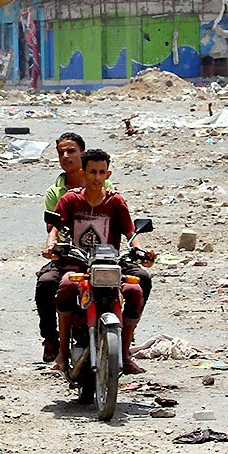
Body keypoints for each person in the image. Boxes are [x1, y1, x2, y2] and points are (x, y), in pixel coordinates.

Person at [45, 149, 147, 375]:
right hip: (77, 262)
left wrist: (141, 250)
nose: (97, 177)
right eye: (92, 172)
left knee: (135, 289)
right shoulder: (70, 199)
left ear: (108, 174)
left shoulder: (116, 201)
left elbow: (130, 232)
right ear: (83, 173)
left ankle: (125, 351)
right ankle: (62, 353)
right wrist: (50, 244)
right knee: (66, 287)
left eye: (102, 172)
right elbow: (55, 228)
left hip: (109, 265)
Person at [35, 132, 112, 362]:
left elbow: (119, 221)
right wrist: (53, 245)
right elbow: (53, 229)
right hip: (69, 254)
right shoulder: (57, 194)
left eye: (71, 151)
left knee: (133, 284)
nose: (66, 157)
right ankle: (51, 338)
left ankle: (122, 342)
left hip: (102, 255)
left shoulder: (106, 188)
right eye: (61, 153)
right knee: (47, 284)